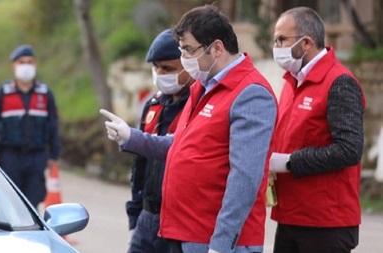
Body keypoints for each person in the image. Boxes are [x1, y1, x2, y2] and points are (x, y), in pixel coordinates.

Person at [101, 4, 277, 253]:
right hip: (184, 233)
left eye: (188, 50)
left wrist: (222, 244)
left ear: (216, 48)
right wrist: (133, 137)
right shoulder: (202, 87)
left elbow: (245, 178)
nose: (184, 58)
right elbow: (183, 145)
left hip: (215, 241)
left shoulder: (250, 94)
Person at [268, 7, 365, 253]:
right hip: (291, 215)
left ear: (307, 42)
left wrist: (289, 162)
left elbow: (349, 149)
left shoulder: (339, 82)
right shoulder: (292, 81)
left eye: (281, 39)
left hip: (325, 222)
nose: (276, 46)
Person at [126, 28, 194, 253]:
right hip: (147, 218)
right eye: (156, 68)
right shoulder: (153, 105)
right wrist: (135, 211)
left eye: (167, 68)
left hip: (180, 220)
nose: (160, 73)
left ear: (188, 64)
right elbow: (141, 163)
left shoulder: (199, 107)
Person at [0, 44, 61, 209]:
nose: (26, 65)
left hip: (37, 156)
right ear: (14, 66)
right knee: (9, 203)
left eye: (29, 62)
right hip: (10, 156)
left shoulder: (45, 94)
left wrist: (54, 154)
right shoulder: (3, 94)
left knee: (33, 202)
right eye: (21, 62)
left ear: (35, 65)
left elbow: (53, 125)